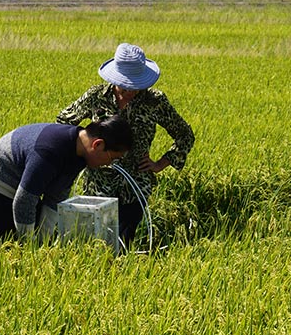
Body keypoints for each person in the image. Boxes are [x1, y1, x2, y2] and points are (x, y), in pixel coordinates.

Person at [56, 43, 195, 248]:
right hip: (98, 185)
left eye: (136, 86)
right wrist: (83, 155)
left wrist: (160, 164)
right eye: (125, 85)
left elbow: (185, 135)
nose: (131, 91)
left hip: (135, 184)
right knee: (93, 242)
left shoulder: (154, 101)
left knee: (122, 243)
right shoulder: (96, 96)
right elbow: (63, 124)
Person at [0, 115, 133, 240]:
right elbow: (24, 201)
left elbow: (55, 197)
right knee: (4, 245)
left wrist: (43, 239)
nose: (109, 164)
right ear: (97, 145)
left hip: (24, 188)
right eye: (112, 158)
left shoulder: (80, 154)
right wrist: (30, 245)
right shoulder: (49, 151)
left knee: (35, 235)